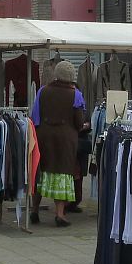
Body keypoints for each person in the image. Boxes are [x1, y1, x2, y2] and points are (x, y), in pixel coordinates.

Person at [31, 60, 87, 227]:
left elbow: (35, 117)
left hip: (44, 138)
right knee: (62, 174)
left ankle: (34, 210)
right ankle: (60, 214)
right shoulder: (75, 94)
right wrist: (83, 125)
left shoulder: (42, 91)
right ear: (71, 76)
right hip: (65, 139)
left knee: (42, 173)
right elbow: (78, 121)